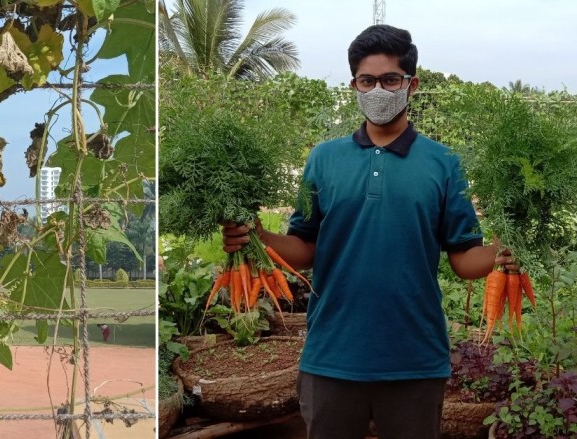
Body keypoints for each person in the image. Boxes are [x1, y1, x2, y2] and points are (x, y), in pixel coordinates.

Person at [222, 24, 518, 439]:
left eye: (390, 79)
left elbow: (464, 258)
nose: (378, 89)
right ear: (354, 86)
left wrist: (501, 252)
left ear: (412, 85)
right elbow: (305, 246)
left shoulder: (443, 162)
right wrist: (256, 239)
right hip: (331, 355)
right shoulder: (324, 159)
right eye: (367, 80)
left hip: (414, 358)